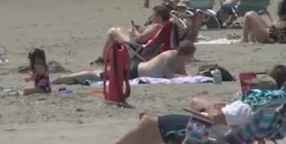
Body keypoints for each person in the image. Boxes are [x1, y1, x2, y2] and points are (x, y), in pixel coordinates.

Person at [81, 87, 251, 144]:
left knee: (149, 121)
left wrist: (214, 107)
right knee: (154, 118)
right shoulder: (258, 107)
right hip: (216, 128)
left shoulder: (245, 108)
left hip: (210, 131)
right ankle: (171, 143)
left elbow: (215, 118)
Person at [55, 41, 196, 85]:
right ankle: (63, 78)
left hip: (135, 69)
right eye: (191, 56)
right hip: (133, 70)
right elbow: (171, 76)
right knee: (99, 75)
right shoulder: (170, 56)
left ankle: (68, 79)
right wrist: (190, 78)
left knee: (101, 75)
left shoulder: (179, 60)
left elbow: (183, 74)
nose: (191, 59)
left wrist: (193, 77)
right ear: (186, 54)